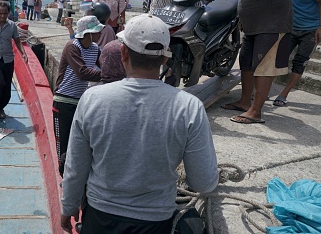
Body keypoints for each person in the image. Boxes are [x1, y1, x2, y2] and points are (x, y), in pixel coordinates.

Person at [60, 14, 218, 233]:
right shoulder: (189, 107)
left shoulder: (92, 99)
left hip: (99, 217)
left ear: (123, 53)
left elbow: (76, 167)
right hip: (155, 222)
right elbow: (204, 183)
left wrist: (67, 208)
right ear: (164, 59)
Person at [220, 0, 292, 124]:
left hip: (271, 26)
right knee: (247, 65)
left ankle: (256, 111)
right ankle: (245, 102)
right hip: (254, 28)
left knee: (263, 68)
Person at [53, 15, 104, 177]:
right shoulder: (72, 47)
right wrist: (107, 75)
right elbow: (82, 72)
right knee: (64, 144)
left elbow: (104, 65)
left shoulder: (95, 49)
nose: (100, 33)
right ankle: (63, 176)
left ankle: (74, 176)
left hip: (80, 102)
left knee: (78, 144)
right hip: (63, 101)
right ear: (87, 33)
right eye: (96, 31)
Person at [272, 0, 321, 107]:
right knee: (276, 60)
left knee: (299, 62)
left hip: (310, 30)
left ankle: (284, 94)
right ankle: (264, 91)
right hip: (290, 28)